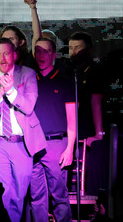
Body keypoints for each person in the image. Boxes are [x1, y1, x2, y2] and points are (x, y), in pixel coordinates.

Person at [0, 38, 46, 222]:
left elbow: (29, 106)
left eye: (6, 53)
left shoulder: (27, 74)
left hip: (22, 144)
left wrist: (12, 91)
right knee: (0, 195)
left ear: (15, 54)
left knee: (19, 195)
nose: (2, 58)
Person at [30, 37, 75, 222]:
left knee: (59, 196)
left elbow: (72, 119)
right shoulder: (30, 79)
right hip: (34, 145)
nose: (41, 55)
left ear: (54, 55)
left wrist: (70, 148)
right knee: (36, 197)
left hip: (57, 144)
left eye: (45, 51)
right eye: (38, 51)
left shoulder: (64, 81)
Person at [65, 31, 107, 196]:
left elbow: (96, 102)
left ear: (88, 49)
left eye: (78, 47)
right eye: (70, 48)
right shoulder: (67, 69)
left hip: (86, 126)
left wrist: (98, 133)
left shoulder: (96, 70)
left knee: (88, 172)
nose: (74, 52)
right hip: (68, 126)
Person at [0, 0, 41, 69]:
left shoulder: (28, 59)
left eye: (11, 39)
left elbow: (37, 38)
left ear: (21, 42)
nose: (8, 42)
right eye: (4, 39)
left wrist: (33, 8)